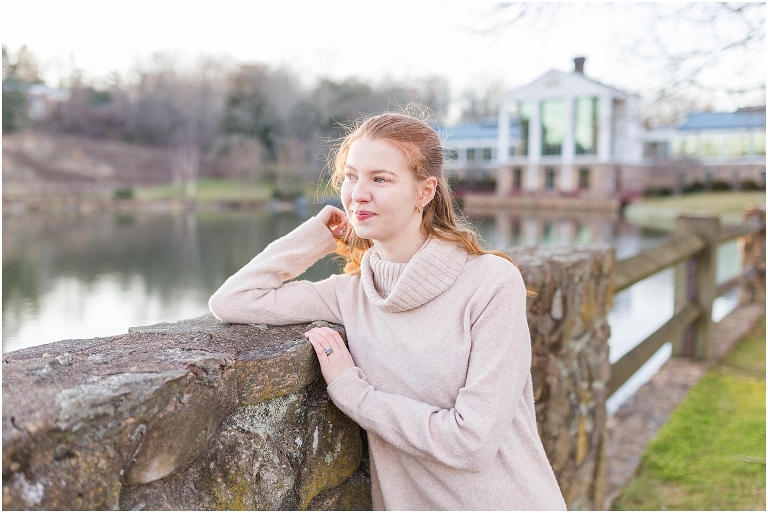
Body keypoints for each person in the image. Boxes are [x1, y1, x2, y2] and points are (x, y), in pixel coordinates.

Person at [208, 112, 566, 510]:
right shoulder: (352, 293)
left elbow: (471, 444)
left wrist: (354, 392)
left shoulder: (490, 283)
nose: (358, 193)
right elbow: (232, 301)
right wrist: (316, 235)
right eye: (350, 176)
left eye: (380, 179)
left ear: (425, 192)